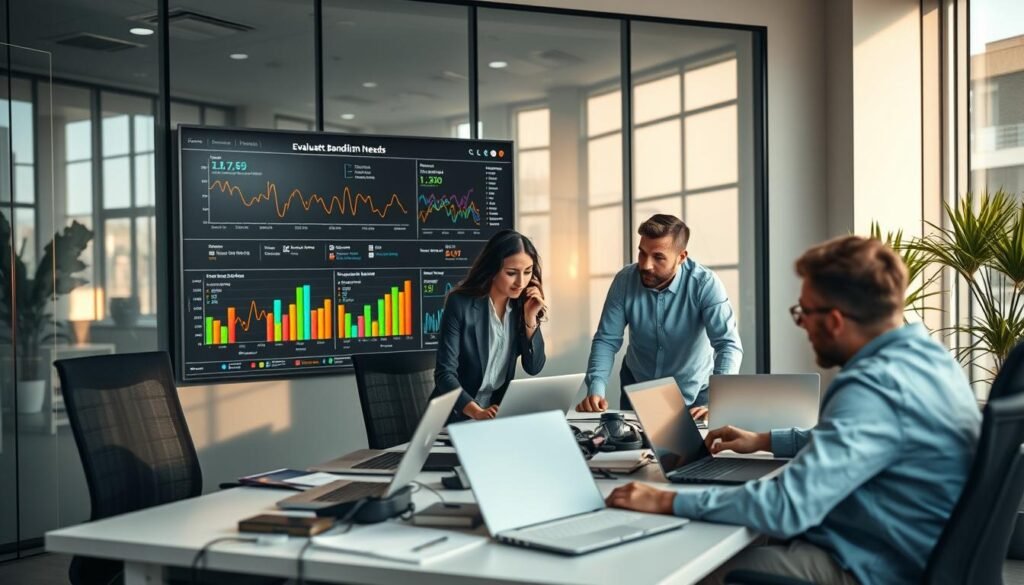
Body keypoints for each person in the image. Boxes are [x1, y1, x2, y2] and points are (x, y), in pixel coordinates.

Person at [605, 235, 982, 585]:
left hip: (878, 564)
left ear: (834, 321)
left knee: (694, 570)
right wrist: (765, 440)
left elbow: (786, 506)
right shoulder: (929, 357)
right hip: (914, 546)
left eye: (803, 314)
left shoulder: (872, 386)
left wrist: (667, 499)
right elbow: (855, 439)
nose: (802, 325)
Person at [576, 214, 742, 419]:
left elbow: (727, 344)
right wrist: (596, 388)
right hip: (637, 387)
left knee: (694, 451)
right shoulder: (625, 280)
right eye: (642, 253)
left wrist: (720, 401)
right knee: (634, 449)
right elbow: (607, 340)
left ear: (681, 257)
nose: (645, 265)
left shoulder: (705, 284)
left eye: (658, 257)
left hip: (694, 393)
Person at [431, 229, 547, 422]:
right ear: (492, 269)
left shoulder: (522, 306)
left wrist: (530, 318)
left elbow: (534, 367)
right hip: (454, 417)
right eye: (511, 273)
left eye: (527, 272)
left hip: (495, 417)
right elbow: (444, 374)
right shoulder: (460, 304)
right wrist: (476, 412)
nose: (521, 282)